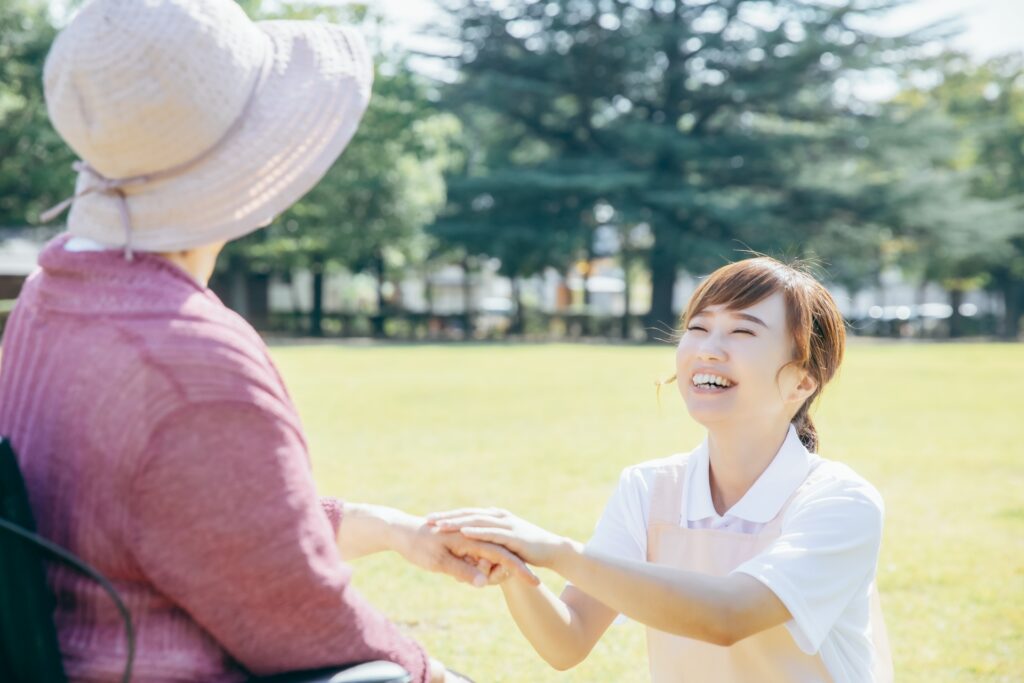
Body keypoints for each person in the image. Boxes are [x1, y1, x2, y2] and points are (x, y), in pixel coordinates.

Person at [0, 1, 533, 681]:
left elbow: (200, 519)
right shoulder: (188, 360)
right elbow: (302, 622)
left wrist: (390, 529)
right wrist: (434, 672)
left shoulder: (49, 299)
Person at [429, 257, 894, 682]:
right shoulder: (650, 487)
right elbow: (566, 641)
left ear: (803, 381)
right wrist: (512, 565)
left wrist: (555, 551)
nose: (708, 350)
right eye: (698, 327)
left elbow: (729, 615)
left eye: (743, 332)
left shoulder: (839, 500)